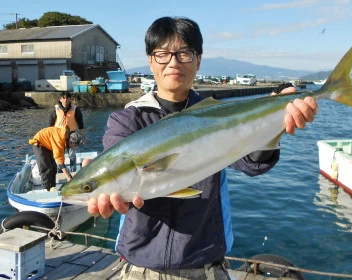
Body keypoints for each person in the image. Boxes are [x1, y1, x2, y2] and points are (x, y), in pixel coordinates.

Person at [87, 16, 318, 280]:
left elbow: (251, 163)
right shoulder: (128, 120)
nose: (173, 61)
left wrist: (275, 120)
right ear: (151, 60)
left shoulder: (218, 113)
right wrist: (104, 186)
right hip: (142, 269)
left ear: (198, 60)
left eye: (184, 53)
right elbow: (116, 157)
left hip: (208, 268)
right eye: (162, 54)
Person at [29, 127, 83, 191]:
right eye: (75, 145)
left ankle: (52, 188)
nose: (75, 147)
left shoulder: (65, 137)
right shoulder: (59, 140)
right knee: (46, 169)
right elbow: (60, 160)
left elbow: (60, 155)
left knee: (54, 168)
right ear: (71, 142)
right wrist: (68, 176)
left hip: (48, 145)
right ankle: (46, 191)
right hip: (39, 143)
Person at [48, 91, 84, 171]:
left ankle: (73, 170)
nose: (65, 100)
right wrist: (50, 137)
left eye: (67, 98)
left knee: (72, 155)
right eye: (63, 98)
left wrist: (82, 136)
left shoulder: (75, 109)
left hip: (71, 135)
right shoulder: (55, 108)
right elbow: (51, 123)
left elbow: (80, 123)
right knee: (59, 154)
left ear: (70, 99)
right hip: (58, 135)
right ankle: (60, 171)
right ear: (60, 99)